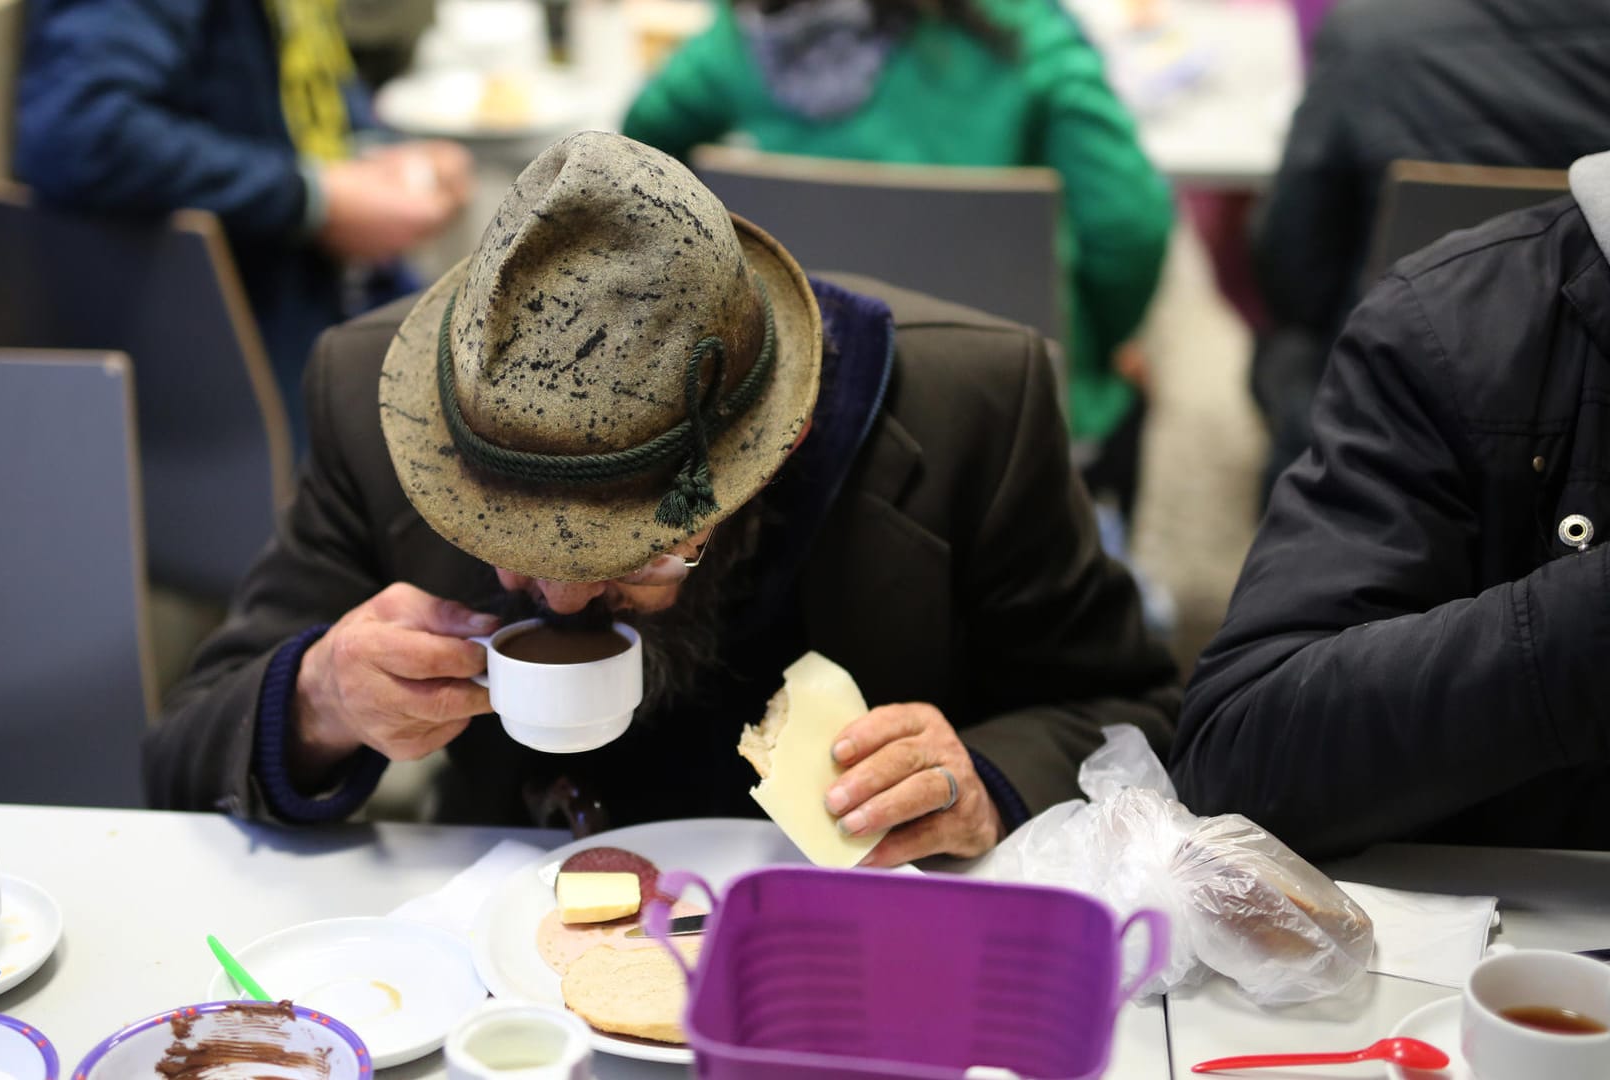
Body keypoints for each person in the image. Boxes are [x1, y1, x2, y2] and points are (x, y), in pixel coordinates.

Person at [150, 132, 1178, 865]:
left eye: (630, 556)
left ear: (777, 445)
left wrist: (985, 777)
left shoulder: (971, 410)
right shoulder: (371, 401)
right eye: (502, 541)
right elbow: (181, 756)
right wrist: (320, 699)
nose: (553, 603)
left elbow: (1140, 711)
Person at [1174, 151, 1610, 858]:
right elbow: (1233, 769)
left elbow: (1286, 264)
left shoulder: (1370, 45)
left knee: (1288, 358)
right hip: (1525, 928)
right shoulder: (1450, 324)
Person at [619, 0, 1173, 517]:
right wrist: (1095, 348)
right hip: (1012, 417)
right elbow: (1128, 227)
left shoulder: (743, 42)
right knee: (1123, 384)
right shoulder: (1023, 30)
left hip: (801, 416)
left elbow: (634, 160)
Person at [15, 0, 473, 439]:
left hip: (320, 304)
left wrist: (378, 154)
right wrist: (313, 198)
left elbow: (302, 65)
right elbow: (81, 128)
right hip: (231, 347)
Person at [1249, 0, 1610, 492]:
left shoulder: (1372, 39)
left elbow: (1295, 270)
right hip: (1588, 391)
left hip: (1391, 397)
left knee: (1284, 352)